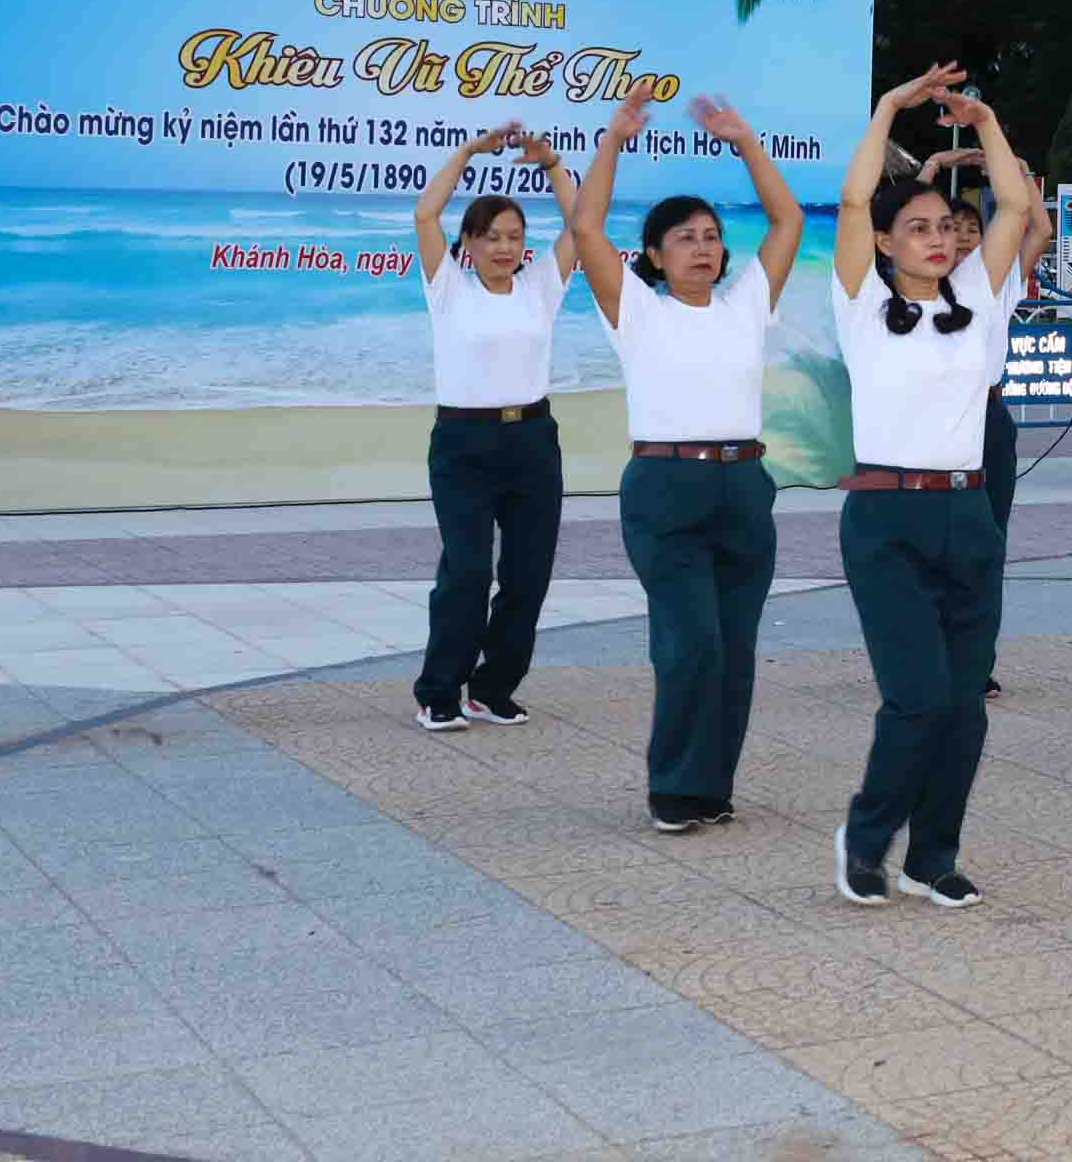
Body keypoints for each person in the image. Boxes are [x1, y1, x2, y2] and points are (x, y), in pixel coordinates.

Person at [569, 86, 806, 834]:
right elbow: (584, 225)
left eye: (709, 235)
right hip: (666, 485)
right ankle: (673, 788)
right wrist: (613, 139)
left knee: (734, 649)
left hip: (744, 483)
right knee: (689, 642)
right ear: (653, 256)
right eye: (684, 238)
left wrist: (745, 141)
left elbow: (788, 218)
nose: (702, 246)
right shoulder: (635, 309)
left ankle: (712, 787)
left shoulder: (745, 304)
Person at [829, 67, 1032, 908]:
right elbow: (849, 205)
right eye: (916, 229)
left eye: (945, 226)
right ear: (884, 243)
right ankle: (867, 837)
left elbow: (1015, 209)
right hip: (884, 516)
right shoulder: (860, 304)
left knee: (964, 708)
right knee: (916, 699)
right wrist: (887, 109)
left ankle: (933, 855)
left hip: (968, 509)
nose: (938, 239)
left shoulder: (977, 297)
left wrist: (986, 122)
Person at [410, 123, 579, 733]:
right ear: (470, 244)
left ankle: (491, 687)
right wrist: (470, 151)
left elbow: (582, 224)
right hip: (463, 446)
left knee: (528, 576)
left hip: (533, 443)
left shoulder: (540, 288)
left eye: (514, 236)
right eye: (491, 237)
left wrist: (553, 164)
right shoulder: (447, 288)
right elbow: (425, 212)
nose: (504, 247)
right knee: (469, 572)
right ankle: (438, 690)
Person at [922, 144, 1054, 698]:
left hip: (989, 420)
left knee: (987, 544)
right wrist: (932, 171)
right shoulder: (912, 289)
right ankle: (925, 653)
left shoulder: (993, 286)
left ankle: (976, 661)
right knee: (929, 545)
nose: (964, 239)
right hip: (930, 422)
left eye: (972, 229)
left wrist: (1021, 169)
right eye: (953, 230)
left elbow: (1037, 228)